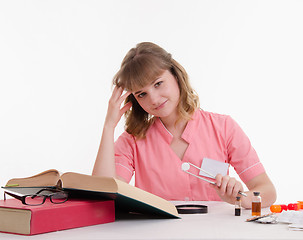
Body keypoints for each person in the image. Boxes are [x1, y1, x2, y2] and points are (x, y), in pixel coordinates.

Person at [92, 42, 276, 208]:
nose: (154, 99)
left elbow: (267, 191)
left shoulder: (224, 127)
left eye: (158, 84)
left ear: (176, 76)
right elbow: (104, 195)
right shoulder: (133, 139)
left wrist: (240, 198)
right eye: (141, 94)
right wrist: (109, 126)